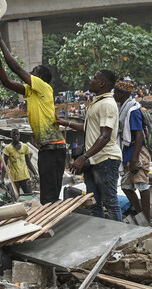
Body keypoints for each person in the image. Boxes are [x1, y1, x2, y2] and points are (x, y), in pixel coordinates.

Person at [0, 26, 65, 204]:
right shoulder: (32, 92)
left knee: (50, 196)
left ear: (40, 78)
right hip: (47, 148)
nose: (29, 74)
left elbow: (15, 68)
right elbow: (6, 81)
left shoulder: (44, 87)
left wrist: (0, 40)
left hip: (53, 148)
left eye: (33, 73)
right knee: (47, 195)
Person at [58, 70, 123, 221]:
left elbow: (105, 136)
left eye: (95, 78)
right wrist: (66, 123)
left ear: (102, 83)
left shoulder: (107, 104)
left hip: (105, 159)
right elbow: (88, 128)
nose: (91, 80)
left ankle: (119, 239)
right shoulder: (98, 103)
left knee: (110, 203)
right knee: (94, 204)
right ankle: (101, 237)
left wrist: (84, 156)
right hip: (94, 161)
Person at [114, 78, 151, 221]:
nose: (114, 94)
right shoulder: (122, 108)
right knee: (126, 186)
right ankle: (142, 214)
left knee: (142, 184)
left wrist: (135, 159)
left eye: (116, 92)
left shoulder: (133, 110)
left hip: (136, 152)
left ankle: (147, 219)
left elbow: (139, 135)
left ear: (123, 93)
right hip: (127, 152)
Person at [3, 129, 37, 194]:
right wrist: (2, 179)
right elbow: (4, 164)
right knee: (15, 197)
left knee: (29, 195)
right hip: (14, 178)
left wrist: (35, 174)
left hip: (25, 176)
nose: (16, 136)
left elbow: (28, 162)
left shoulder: (25, 147)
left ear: (19, 135)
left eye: (17, 134)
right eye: (14, 135)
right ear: (11, 136)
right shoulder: (8, 148)